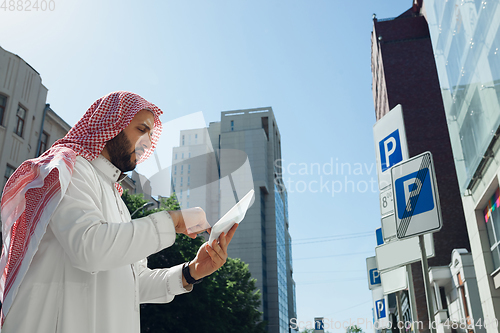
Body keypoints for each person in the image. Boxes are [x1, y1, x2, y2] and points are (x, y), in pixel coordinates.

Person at [0, 91, 236, 333]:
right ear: (112, 124)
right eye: (141, 129)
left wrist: (191, 271)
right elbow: (89, 248)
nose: (147, 142)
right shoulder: (70, 169)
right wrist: (172, 220)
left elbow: (134, 281)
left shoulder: (118, 202)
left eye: (151, 135)